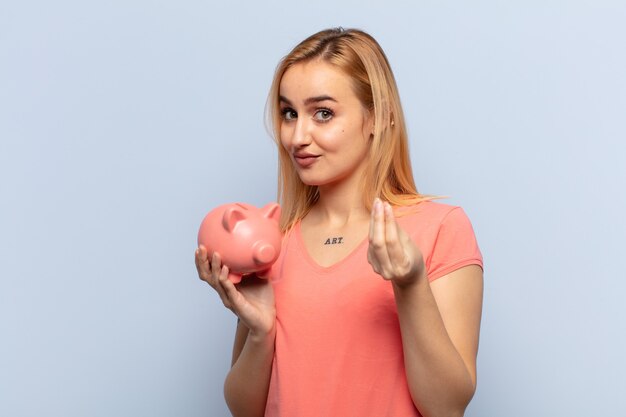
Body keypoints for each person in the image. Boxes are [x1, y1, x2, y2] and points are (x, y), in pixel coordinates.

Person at [195, 27, 483, 417]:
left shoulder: (439, 228)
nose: (298, 136)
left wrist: (410, 283)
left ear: (377, 118)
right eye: (289, 114)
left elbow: (447, 407)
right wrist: (262, 333)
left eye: (323, 114)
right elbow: (246, 410)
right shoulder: (274, 240)